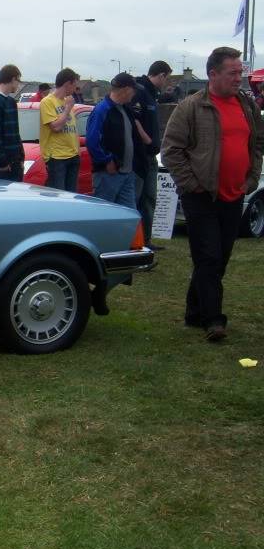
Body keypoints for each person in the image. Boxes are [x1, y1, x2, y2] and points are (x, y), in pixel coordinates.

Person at [161, 46, 263, 342]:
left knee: (220, 258)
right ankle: (214, 320)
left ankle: (194, 312)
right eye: (233, 73)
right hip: (201, 196)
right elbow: (171, 150)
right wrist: (192, 184)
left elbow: (258, 142)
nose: (238, 78)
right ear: (213, 74)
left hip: (234, 194)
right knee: (208, 257)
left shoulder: (247, 105)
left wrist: (252, 177)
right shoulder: (191, 107)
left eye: (240, 72)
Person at [86, 73, 146, 209]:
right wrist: (106, 160)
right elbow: (92, 141)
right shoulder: (102, 110)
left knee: (129, 217)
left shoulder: (125, 109)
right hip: (108, 174)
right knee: (104, 216)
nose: (134, 93)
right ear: (126, 90)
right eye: (133, 89)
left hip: (127, 173)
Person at [131, 61, 172, 249]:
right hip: (139, 157)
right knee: (137, 198)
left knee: (150, 198)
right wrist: (147, 139)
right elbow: (134, 119)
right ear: (161, 75)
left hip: (151, 157)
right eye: (167, 78)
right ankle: (133, 240)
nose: (167, 83)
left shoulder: (152, 94)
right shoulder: (139, 91)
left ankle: (146, 240)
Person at [39, 68, 81, 191]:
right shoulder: (47, 102)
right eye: (74, 85)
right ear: (68, 83)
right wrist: (67, 108)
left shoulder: (67, 102)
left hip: (73, 156)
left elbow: (72, 129)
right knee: (59, 196)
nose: (75, 90)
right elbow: (56, 127)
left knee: (71, 196)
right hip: (57, 158)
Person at [0, 64, 25, 180]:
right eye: (18, 80)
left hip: (15, 164)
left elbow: (16, 133)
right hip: (2, 167)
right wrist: (2, 163)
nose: (18, 84)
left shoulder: (11, 102)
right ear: (13, 79)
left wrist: (21, 157)